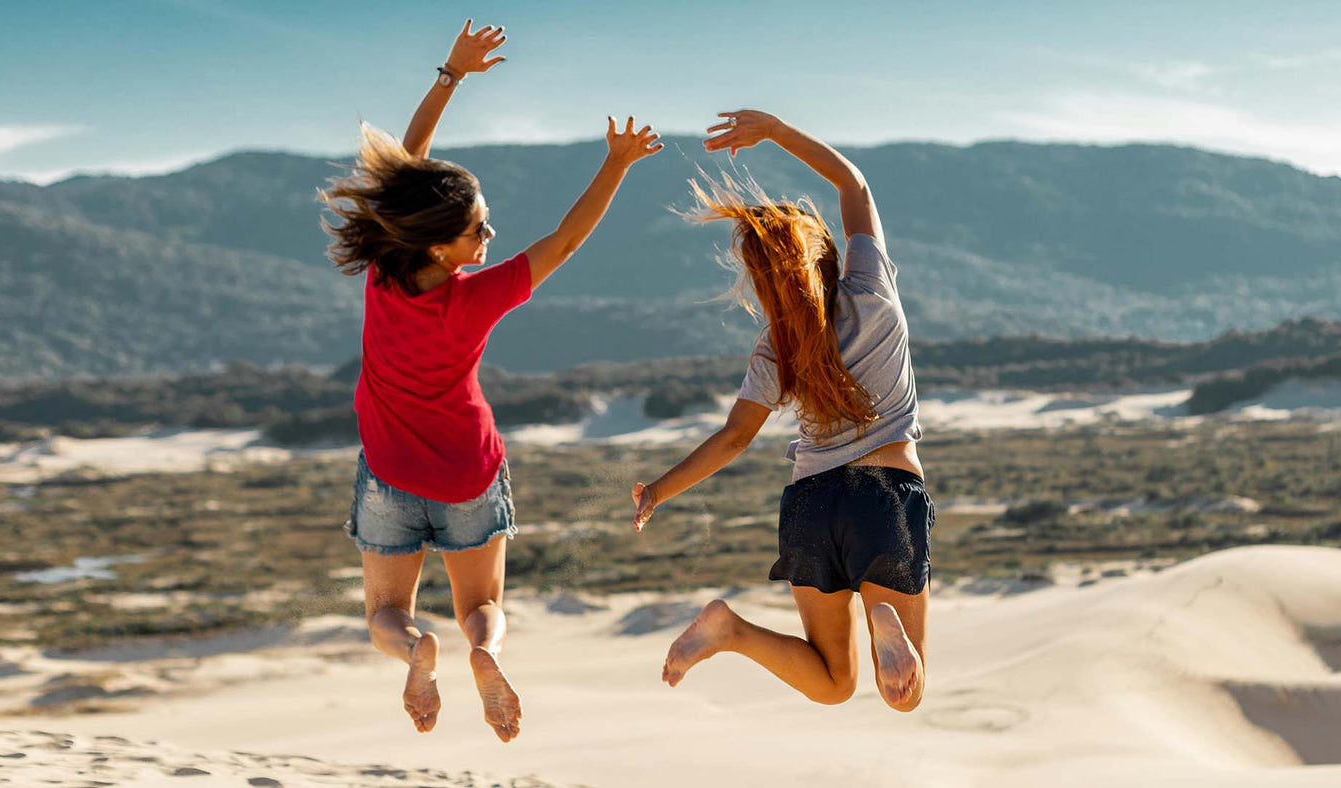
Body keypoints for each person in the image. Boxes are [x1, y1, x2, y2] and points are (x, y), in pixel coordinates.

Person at [320, 20, 662, 742]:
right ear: (442, 245)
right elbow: (566, 239)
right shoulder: (477, 296)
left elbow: (404, 168)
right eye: (479, 230)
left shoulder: (385, 274)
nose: (490, 239)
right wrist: (617, 165)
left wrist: (450, 74)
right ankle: (483, 653)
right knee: (483, 606)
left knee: (385, 612)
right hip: (470, 475)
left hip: (388, 476)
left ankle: (417, 651)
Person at [630, 109, 930, 712]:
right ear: (824, 253)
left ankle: (731, 630)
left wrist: (658, 491)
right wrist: (773, 130)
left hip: (810, 505)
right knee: (902, 697)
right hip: (886, 493)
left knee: (833, 682)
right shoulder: (870, 288)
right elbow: (853, 185)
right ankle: (885, 620)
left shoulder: (776, 345)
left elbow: (734, 437)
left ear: (764, 284)